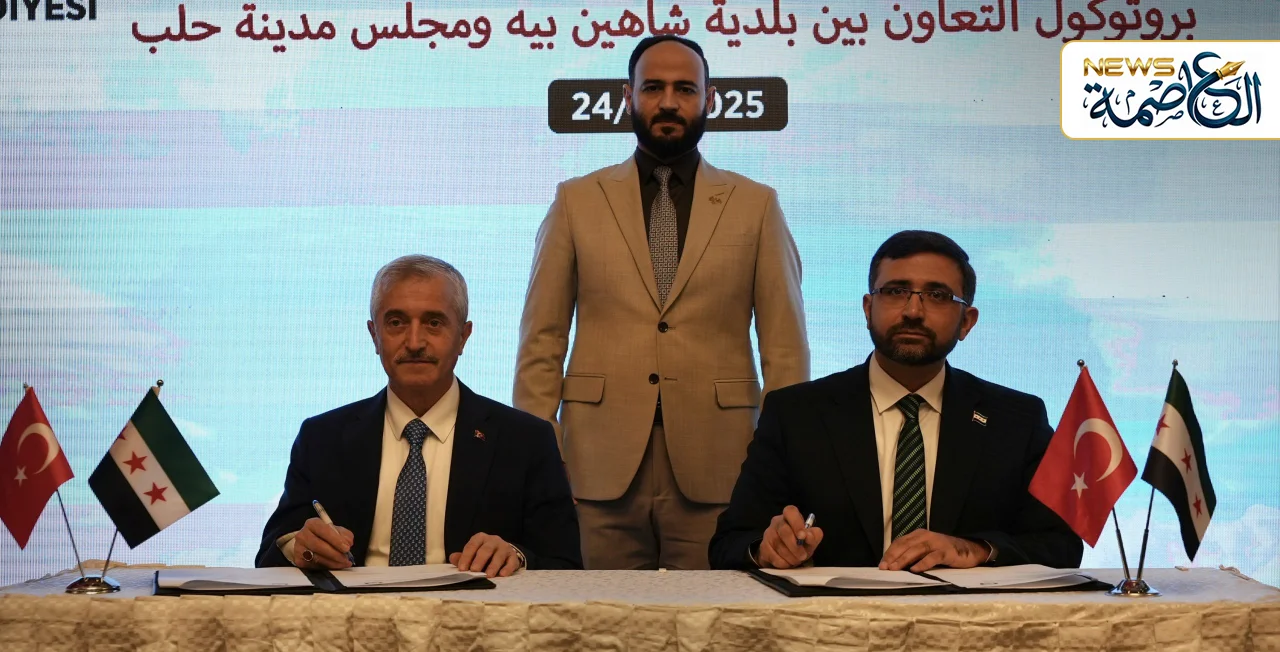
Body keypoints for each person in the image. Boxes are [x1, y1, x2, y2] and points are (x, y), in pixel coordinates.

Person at [514, 35, 809, 570]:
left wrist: (779, 463)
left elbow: (785, 350)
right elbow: (542, 339)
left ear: (710, 99)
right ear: (628, 96)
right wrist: (536, 455)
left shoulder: (757, 205)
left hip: (722, 465)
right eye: (653, 87)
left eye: (684, 89)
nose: (668, 102)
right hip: (594, 465)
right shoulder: (576, 200)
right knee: (594, 613)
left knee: (715, 615)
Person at [709, 231, 1083, 571]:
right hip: (834, 619)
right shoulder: (796, 414)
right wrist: (768, 548)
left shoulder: (1017, 420)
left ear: (967, 321)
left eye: (937, 296)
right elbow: (730, 543)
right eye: (895, 291)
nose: (913, 311)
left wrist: (974, 549)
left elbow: (1060, 545)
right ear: (867, 309)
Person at [257, 255, 581, 575]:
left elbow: (565, 564)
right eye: (396, 323)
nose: (414, 342)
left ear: (463, 336)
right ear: (374, 335)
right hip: (355, 608)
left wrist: (516, 556)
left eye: (434, 323)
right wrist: (301, 547)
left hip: (472, 607)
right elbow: (272, 554)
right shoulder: (322, 438)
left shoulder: (525, 440)